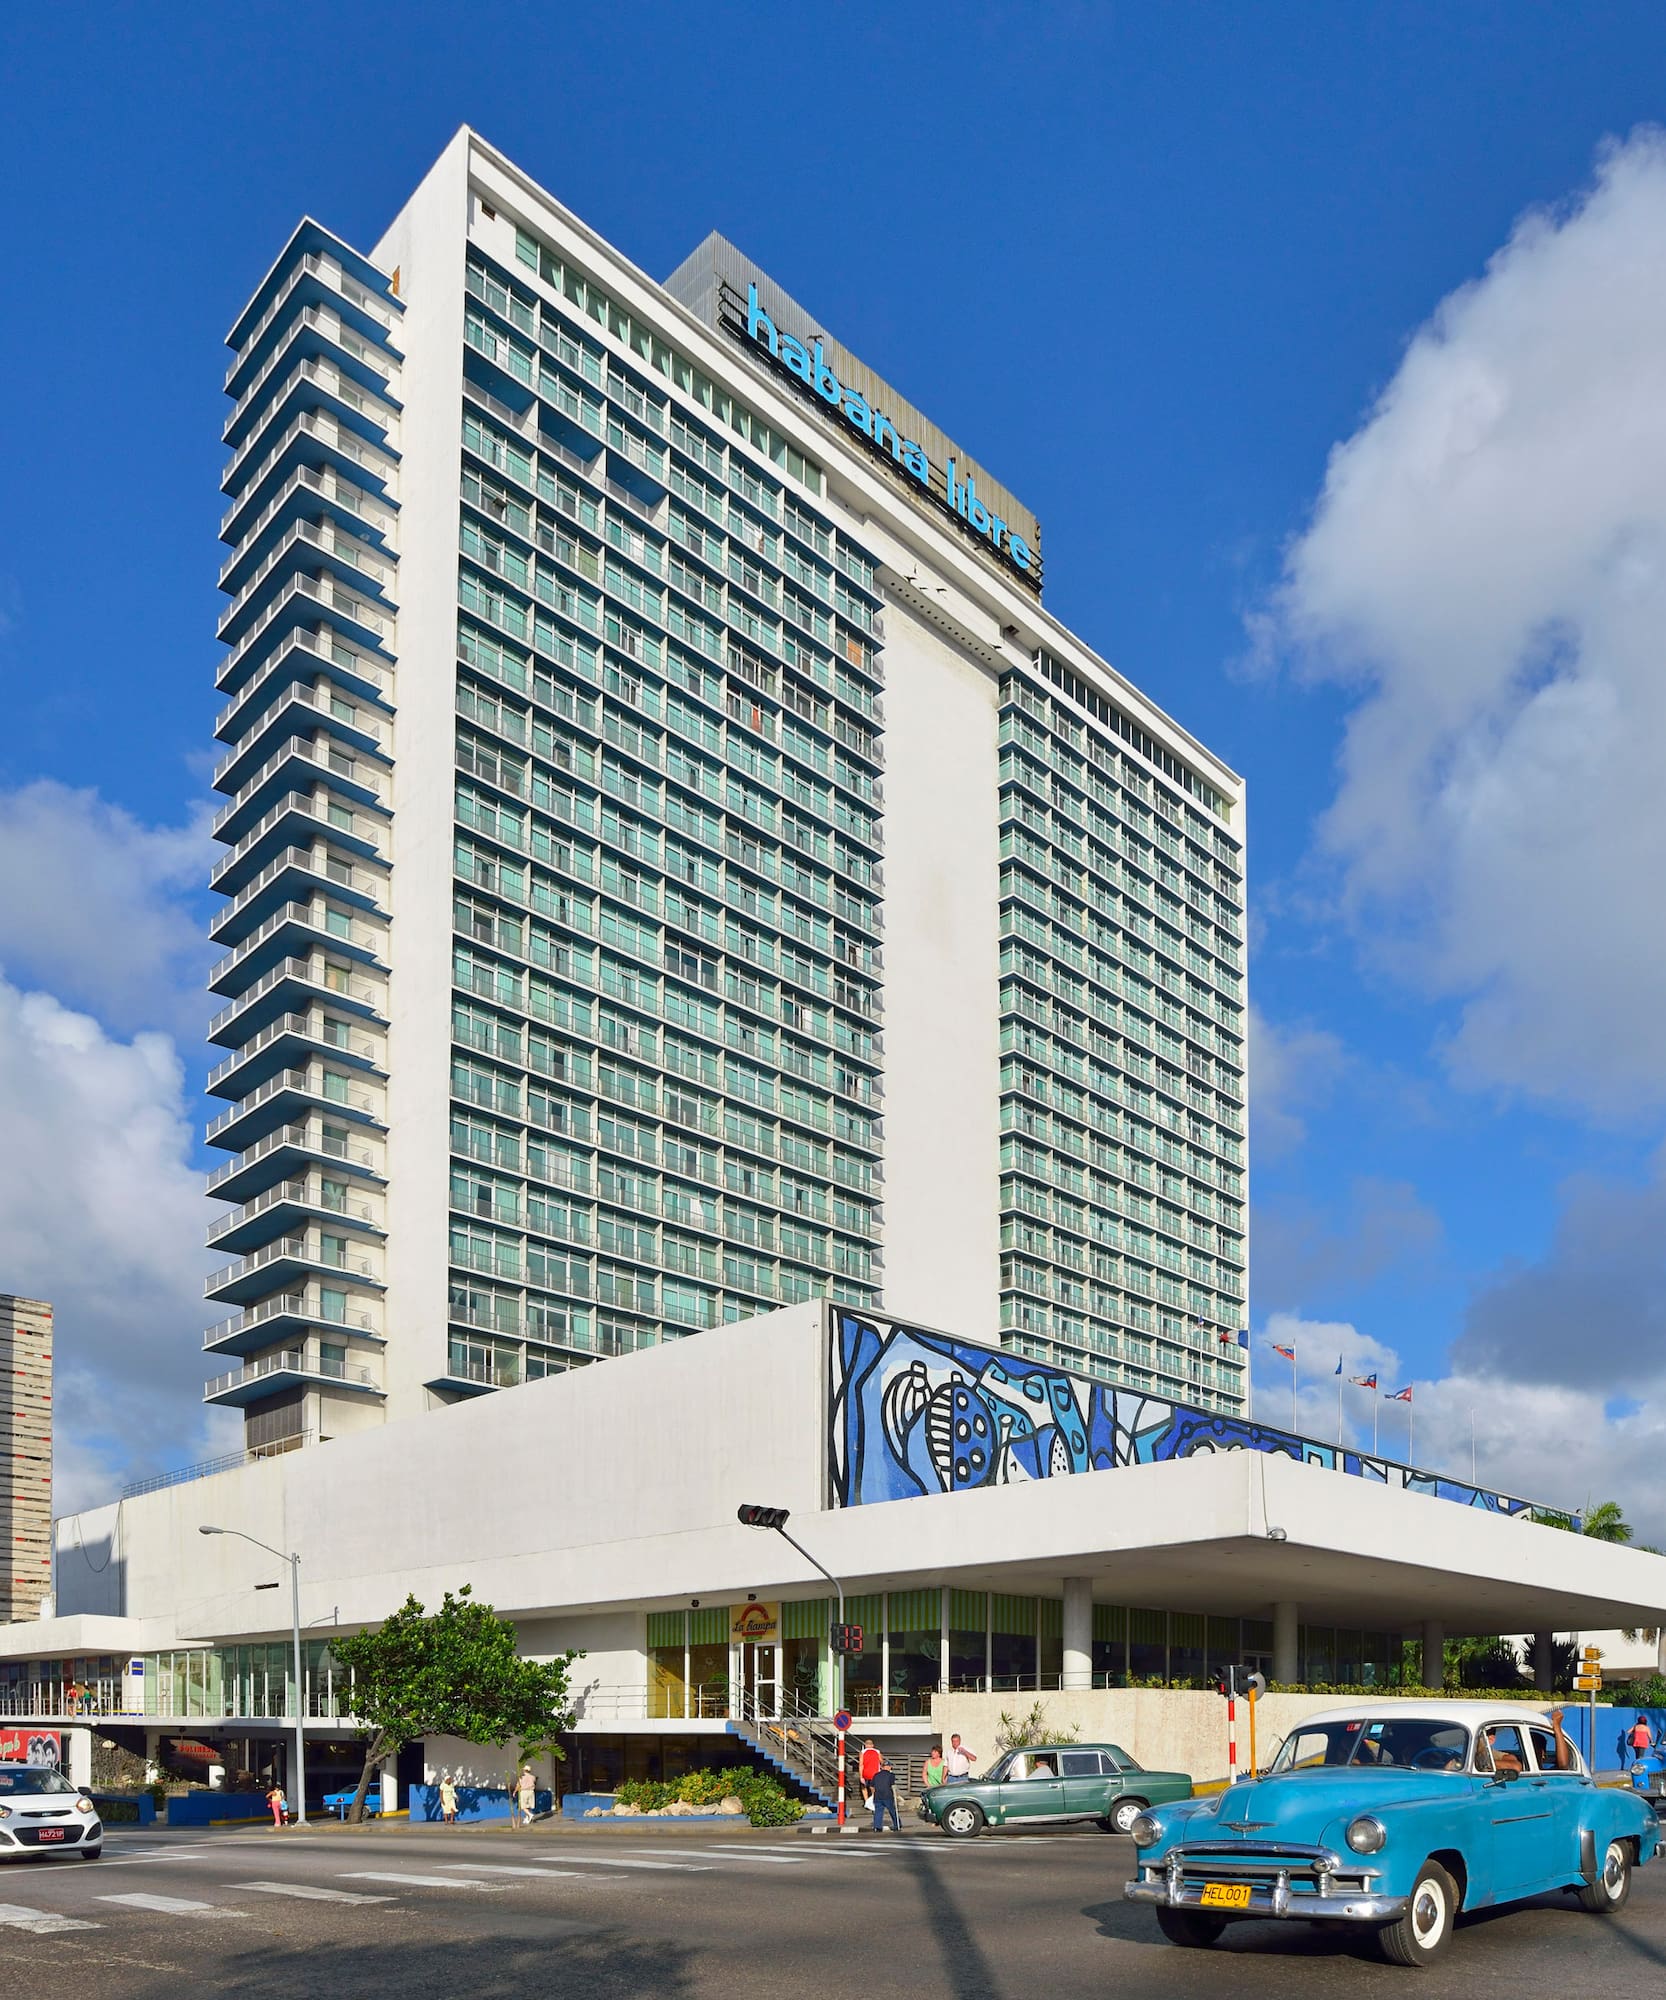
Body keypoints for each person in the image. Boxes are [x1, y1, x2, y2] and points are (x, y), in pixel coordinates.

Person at [869, 1756, 900, 1834]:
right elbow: (892, 1785)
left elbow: (871, 1786)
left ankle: (877, 1827)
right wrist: (896, 1795)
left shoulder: (876, 1775)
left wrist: (873, 1793)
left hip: (878, 1796)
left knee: (878, 1812)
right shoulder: (891, 1775)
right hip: (887, 1795)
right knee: (892, 1811)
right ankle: (897, 1825)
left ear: (882, 1767)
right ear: (889, 1767)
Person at [858, 1739, 882, 1807]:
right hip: (875, 1773)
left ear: (865, 1745)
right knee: (873, 1789)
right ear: (872, 1745)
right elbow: (881, 1761)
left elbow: (861, 1764)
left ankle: (867, 1802)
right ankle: (874, 1802)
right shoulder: (877, 1752)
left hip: (865, 1773)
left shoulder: (862, 1752)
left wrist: (861, 1776)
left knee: (864, 1788)